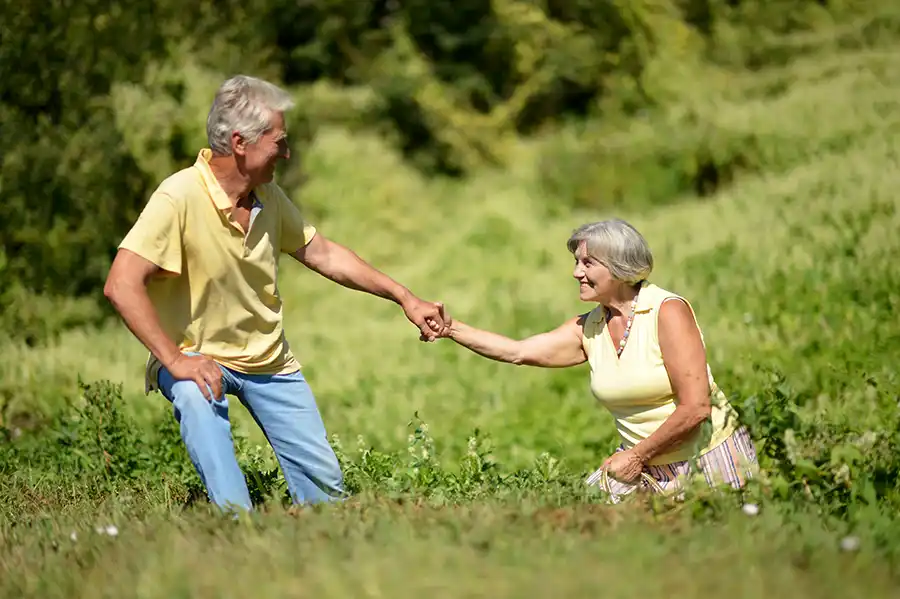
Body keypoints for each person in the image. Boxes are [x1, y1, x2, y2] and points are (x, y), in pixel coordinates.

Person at [103, 74, 447, 513]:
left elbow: (323, 253)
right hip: (199, 355)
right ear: (239, 143)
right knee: (195, 393)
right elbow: (120, 283)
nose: (285, 153)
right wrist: (174, 361)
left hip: (270, 362)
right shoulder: (178, 196)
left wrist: (405, 297)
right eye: (278, 142)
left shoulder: (268, 195)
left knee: (329, 504)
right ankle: (237, 524)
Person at [432, 219, 757, 503]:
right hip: (641, 464)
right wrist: (451, 328)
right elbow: (518, 351)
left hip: (705, 459)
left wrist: (636, 455)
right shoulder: (591, 326)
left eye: (588, 263)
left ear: (619, 267)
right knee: (580, 518)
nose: (576, 272)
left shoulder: (666, 312)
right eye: (577, 262)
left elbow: (696, 407)